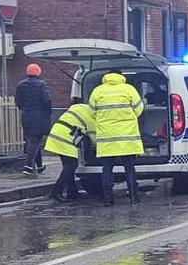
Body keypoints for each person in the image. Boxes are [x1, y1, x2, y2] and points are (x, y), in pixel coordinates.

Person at [89, 70, 144, 206]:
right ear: (122, 77)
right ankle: (133, 198)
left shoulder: (98, 91)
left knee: (107, 170)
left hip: (107, 139)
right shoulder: (129, 89)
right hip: (127, 138)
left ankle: (108, 200)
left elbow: (91, 112)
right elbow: (139, 109)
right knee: (130, 169)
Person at [43, 97, 95, 202]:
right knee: (70, 165)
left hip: (57, 133)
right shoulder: (91, 115)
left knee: (69, 165)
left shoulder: (78, 107)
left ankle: (72, 192)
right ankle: (56, 191)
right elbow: (93, 135)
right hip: (66, 137)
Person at [14, 63, 52, 176]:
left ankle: (39, 166)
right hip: (39, 116)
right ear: (38, 72)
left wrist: (25, 109)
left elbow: (18, 102)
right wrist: (47, 113)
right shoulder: (41, 85)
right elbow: (47, 101)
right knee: (35, 141)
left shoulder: (20, 85)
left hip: (26, 116)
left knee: (33, 140)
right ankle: (28, 166)